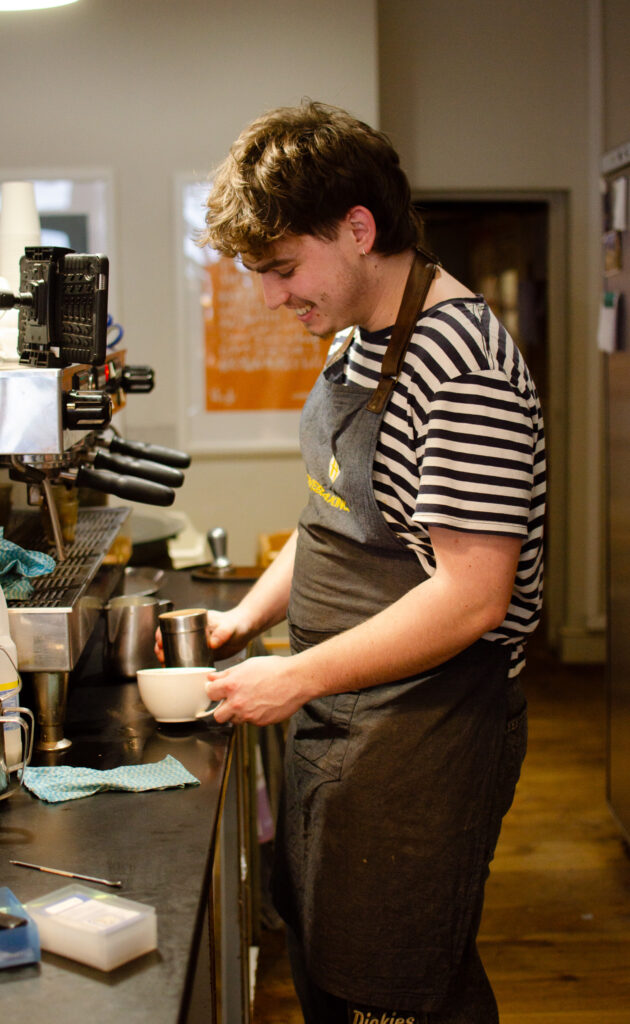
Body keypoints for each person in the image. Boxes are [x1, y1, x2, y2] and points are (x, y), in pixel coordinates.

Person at [163, 100, 546, 1024]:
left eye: (283, 269)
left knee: (396, 986)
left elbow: (472, 596)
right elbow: (335, 514)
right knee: (335, 962)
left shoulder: (460, 368)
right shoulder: (356, 337)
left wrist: (296, 675)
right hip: (347, 707)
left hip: (427, 726)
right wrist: (244, 621)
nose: (271, 298)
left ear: (359, 229)